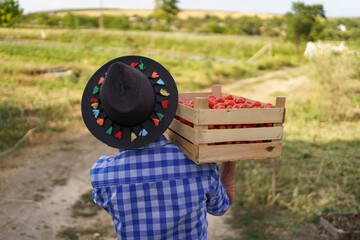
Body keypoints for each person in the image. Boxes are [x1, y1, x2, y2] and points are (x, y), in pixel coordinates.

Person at [81, 55, 236, 240]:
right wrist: (230, 155)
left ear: (108, 124)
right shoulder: (200, 166)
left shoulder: (103, 176)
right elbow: (222, 206)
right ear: (162, 109)